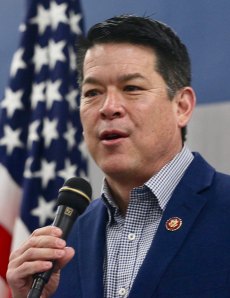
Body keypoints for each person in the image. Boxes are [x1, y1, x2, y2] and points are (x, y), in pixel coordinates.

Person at [6, 15, 230, 298]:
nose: (108, 107)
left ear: (182, 106)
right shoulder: (61, 245)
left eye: (132, 88)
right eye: (92, 92)